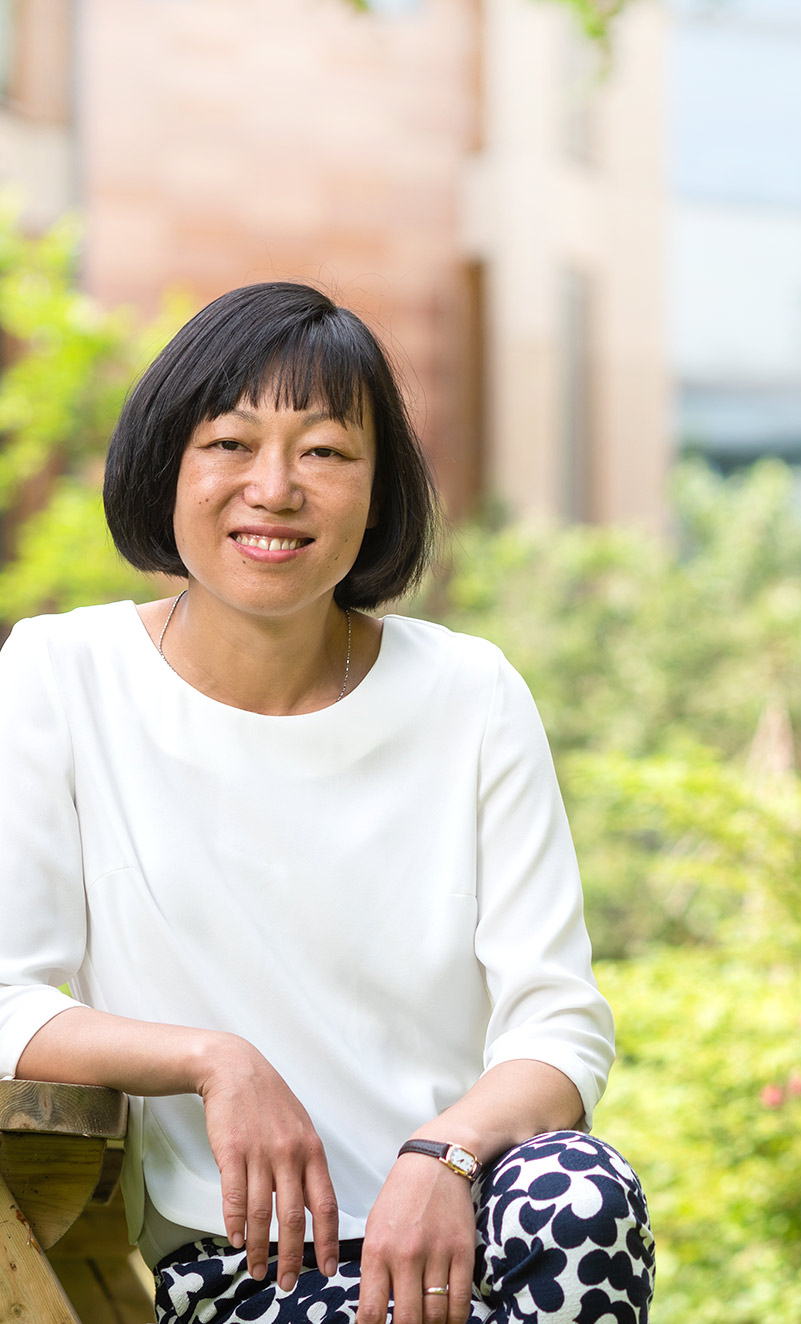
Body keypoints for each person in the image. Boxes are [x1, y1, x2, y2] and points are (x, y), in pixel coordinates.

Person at [0, 283, 653, 1324]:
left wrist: (442, 1156)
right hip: (254, 1268)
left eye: (325, 452)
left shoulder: (470, 692)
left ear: (375, 487)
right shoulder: (61, 675)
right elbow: (10, 1000)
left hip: (464, 1216)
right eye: (230, 442)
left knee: (582, 1190)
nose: (275, 487)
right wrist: (216, 1062)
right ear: (168, 464)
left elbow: (557, 1024)